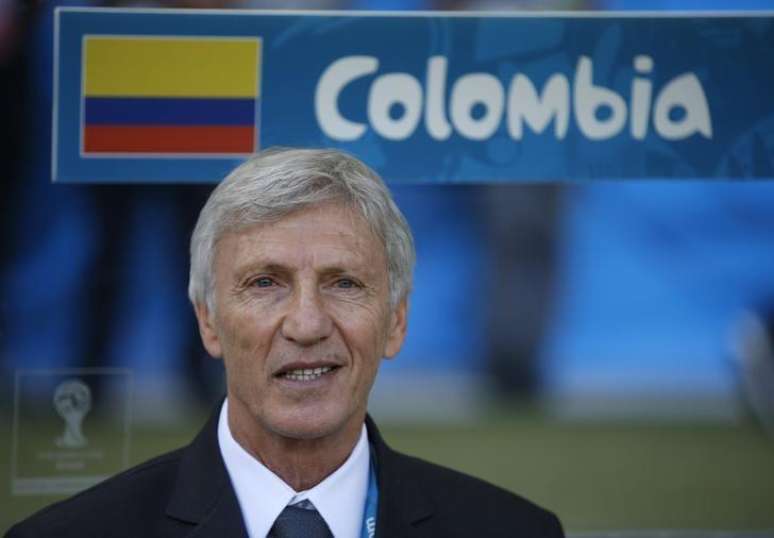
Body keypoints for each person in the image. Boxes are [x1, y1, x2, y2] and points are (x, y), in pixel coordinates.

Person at [7, 148, 564, 538]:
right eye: (265, 283)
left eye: (344, 283)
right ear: (208, 320)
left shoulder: (515, 531)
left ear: (396, 321)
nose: (306, 324)